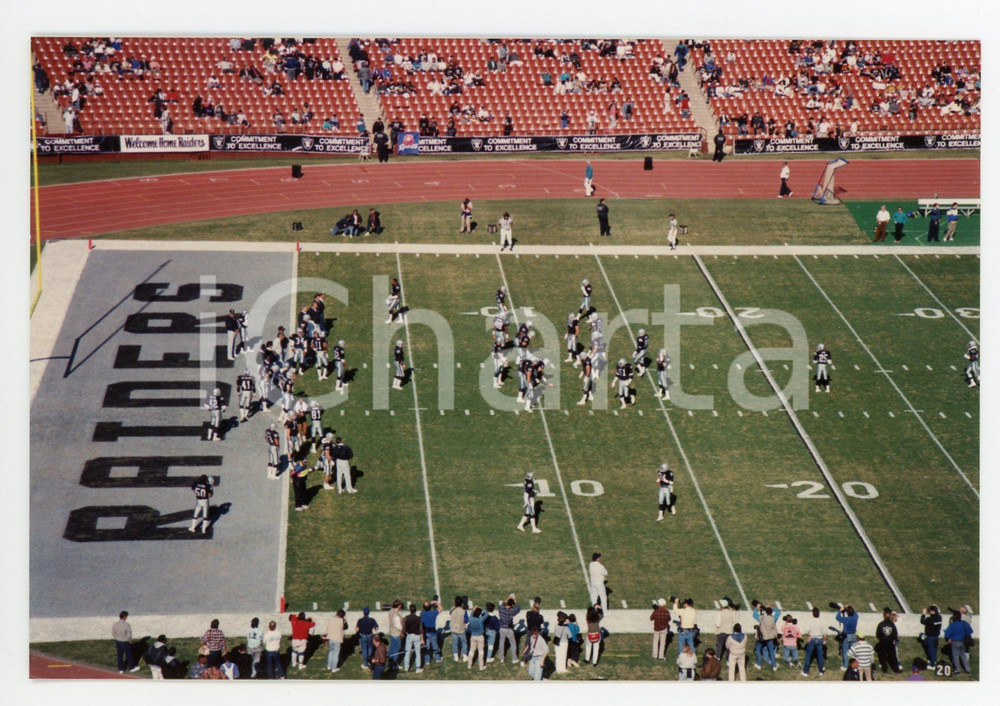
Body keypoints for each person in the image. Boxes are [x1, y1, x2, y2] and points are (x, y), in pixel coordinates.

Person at [944, 610, 973, 675]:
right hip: (962, 642)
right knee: (963, 656)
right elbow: (970, 631)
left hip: (954, 642)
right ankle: (968, 670)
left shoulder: (952, 625)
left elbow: (947, 634)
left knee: (955, 657)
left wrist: (948, 638)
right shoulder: (964, 623)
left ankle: (958, 670)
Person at [801, 606, 827, 676]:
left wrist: (809, 636)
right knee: (819, 655)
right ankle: (821, 670)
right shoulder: (822, 621)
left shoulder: (810, 620)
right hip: (819, 639)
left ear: (813, 613)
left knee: (808, 656)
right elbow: (824, 633)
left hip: (812, 639)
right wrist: (824, 640)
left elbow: (806, 631)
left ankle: (805, 671)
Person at [874, 608, 901, 674]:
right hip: (890, 643)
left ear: (885, 615)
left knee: (882, 657)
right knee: (892, 657)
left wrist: (880, 640)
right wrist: (894, 640)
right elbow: (895, 634)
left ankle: (884, 670)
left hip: (882, 643)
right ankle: (896, 670)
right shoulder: (892, 624)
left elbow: (878, 634)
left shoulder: (880, 624)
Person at [497, 594, 521, 662]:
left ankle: (501, 658)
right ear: (512, 605)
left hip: (502, 628)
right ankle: (514, 658)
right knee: (513, 643)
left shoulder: (501, 609)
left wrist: (508, 597)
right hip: (509, 629)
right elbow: (518, 607)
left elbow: (502, 604)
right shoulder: (512, 611)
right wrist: (514, 600)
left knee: (501, 643)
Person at [835, 604, 859, 669]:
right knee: (854, 652)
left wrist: (840, 610)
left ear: (847, 613)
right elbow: (855, 613)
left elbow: (837, 617)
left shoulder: (846, 619)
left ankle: (845, 665)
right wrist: (848, 606)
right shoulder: (855, 618)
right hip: (854, 636)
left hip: (847, 637)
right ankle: (855, 665)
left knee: (845, 651)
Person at [401, 604, 424, 673]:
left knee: (407, 652)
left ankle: (406, 668)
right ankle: (417, 668)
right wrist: (422, 639)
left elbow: (404, 627)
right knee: (417, 652)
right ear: (415, 610)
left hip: (409, 635)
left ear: (410, 610)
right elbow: (421, 630)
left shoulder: (406, 618)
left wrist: (405, 633)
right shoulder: (419, 618)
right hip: (417, 636)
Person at [421, 597, 443, 666]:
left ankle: (427, 660)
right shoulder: (433, 613)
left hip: (425, 633)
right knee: (435, 646)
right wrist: (435, 602)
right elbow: (441, 608)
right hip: (432, 633)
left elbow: (424, 609)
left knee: (427, 647)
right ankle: (437, 658)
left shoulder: (422, 614)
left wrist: (429, 604)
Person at [449, 597, 469, 661]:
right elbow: (466, 620)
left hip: (453, 628)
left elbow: (450, 613)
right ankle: (465, 656)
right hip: (460, 629)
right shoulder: (463, 611)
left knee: (454, 642)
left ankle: (456, 656)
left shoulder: (452, 609)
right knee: (464, 642)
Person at [386, 600, 403, 669]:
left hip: (391, 632)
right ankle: (394, 664)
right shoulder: (396, 615)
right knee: (396, 650)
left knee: (391, 648)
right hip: (396, 634)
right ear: (398, 606)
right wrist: (403, 630)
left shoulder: (391, 611)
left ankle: (389, 662)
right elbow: (398, 626)